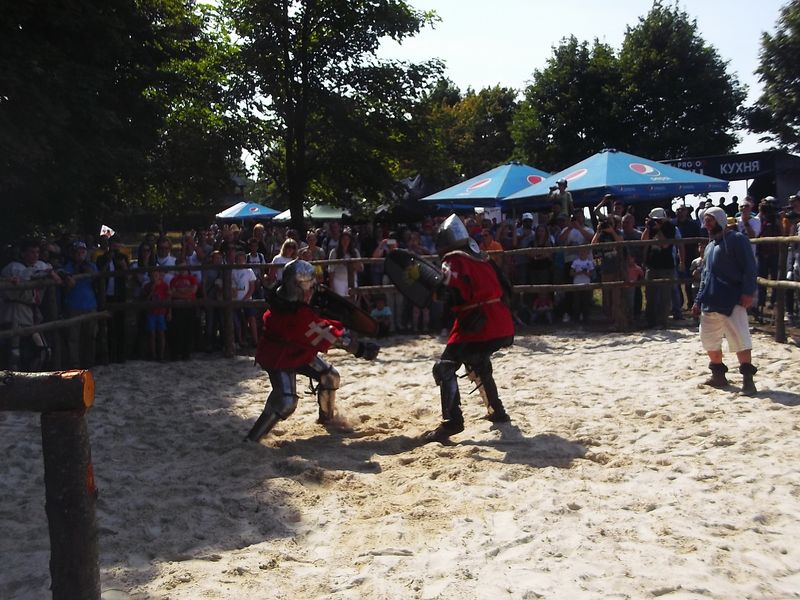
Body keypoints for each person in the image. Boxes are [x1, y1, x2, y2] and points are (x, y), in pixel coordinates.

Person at [245, 259, 379, 442]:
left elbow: (316, 325)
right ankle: (253, 439)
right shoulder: (292, 313)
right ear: (297, 287)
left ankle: (327, 419)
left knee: (330, 376)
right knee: (286, 401)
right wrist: (360, 349)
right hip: (278, 356)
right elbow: (325, 333)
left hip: (297, 350)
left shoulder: (289, 301)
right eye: (308, 287)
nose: (311, 292)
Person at [422, 214, 515, 443]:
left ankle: (452, 422)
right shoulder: (484, 258)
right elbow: (508, 290)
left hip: (476, 324)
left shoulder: (453, 260)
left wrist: (432, 290)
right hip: (501, 321)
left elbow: (450, 292)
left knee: (444, 367)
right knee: (478, 360)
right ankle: (496, 410)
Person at [692, 207, 759, 395]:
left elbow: (750, 267)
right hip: (710, 300)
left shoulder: (737, 240)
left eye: (710, 220)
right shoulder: (710, 246)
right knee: (709, 340)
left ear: (720, 220)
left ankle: (748, 380)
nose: (707, 224)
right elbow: (706, 276)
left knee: (740, 339)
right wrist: (698, 300)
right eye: (705, 220)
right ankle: (718, 375)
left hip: (732, 299)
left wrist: (747, 292)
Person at [0, 239, 62, 370]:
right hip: (14, 312)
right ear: (23, 253)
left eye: (37, 252)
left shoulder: (39, 265)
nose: (35, 255)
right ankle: (13, 382)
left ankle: (31, 378)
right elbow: (26, 275)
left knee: (43, 351)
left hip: (31, 313)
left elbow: (48, 270)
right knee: (14, 352)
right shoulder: (13, 267)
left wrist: (53, 273)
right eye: (32, 252)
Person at [143, 269, 170, 361]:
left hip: (161, 312)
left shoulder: (164, 286)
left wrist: (169, 312)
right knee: (151, 334)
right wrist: (152, 291)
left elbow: (168, 300)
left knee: (161, 333)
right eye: (152, 276)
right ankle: (153, 354)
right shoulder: (147, 286)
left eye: (156, 275)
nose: (154, 278)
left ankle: (161, 354)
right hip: (151, 313)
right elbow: (145, 300)